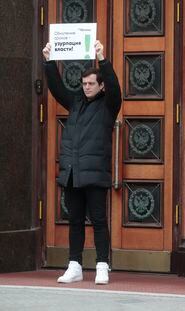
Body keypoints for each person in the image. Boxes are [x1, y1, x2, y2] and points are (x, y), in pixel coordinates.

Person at [42, 41, 122, 285]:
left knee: (98, 220)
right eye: (84, 84)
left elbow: (116, 87)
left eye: (91, 84)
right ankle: (74, 265)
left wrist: (103, 59)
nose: (86, 87)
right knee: (74, 220)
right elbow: (56, 88)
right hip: (72, 172)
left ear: (100, 86)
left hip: (95, 173)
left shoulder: (109, 105)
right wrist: (48, 61)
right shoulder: (75, 102)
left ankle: (101, 266)